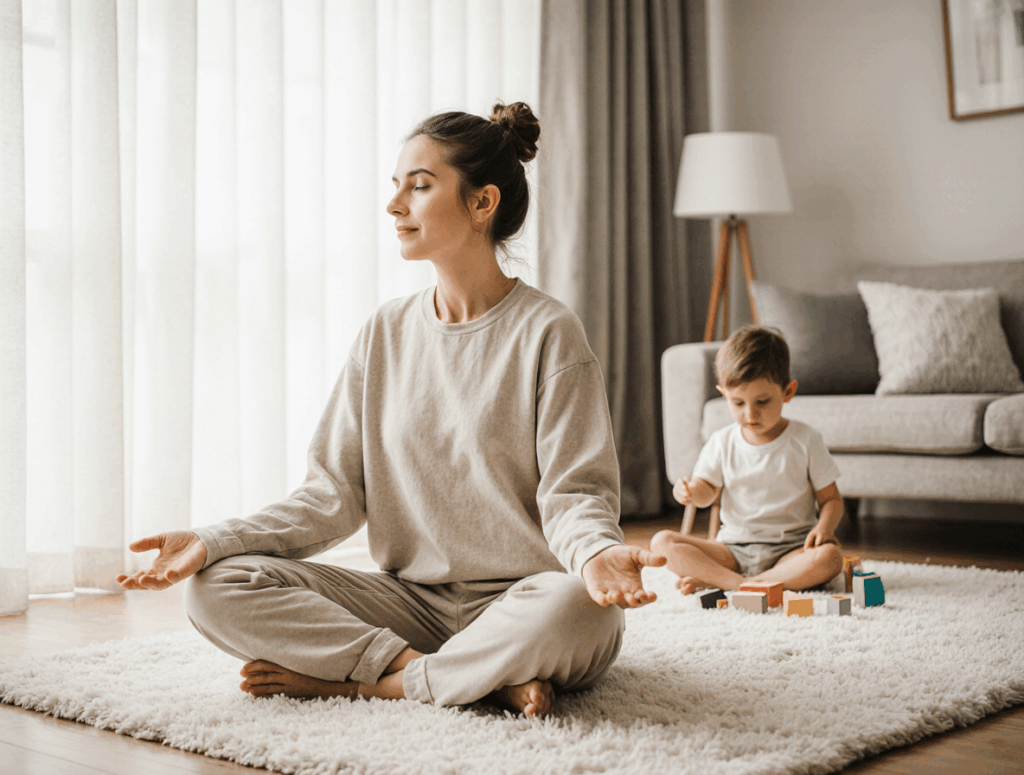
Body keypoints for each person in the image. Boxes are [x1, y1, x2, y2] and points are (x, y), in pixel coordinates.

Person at [116, 101, 666, 718]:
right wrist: (215, 540)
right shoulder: (384, 332)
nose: (395, 204)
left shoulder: (548, 332)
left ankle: (369, 684)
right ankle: (466, 677)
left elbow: (575, 493)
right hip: (411, 604)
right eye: (396, 186)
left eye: (420, 186)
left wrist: (594, 555)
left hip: (524, 600)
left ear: (482, 203)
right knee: (214, 588)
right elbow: (332, 496)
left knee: (580, 609)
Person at [650, 325, 845, 595]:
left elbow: (832, 500)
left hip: (790, 550)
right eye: (738, 403)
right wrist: (692, 492)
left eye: (762, 402)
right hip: (732, 549)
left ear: (787, 392)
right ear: (724, 394)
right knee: (662, 542)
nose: (750, 414)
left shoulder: (805, 439)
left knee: (830, 558)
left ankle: (726, 581)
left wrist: (824, 528)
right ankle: (749, 585)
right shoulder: (721, 442)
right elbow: (706, 493)